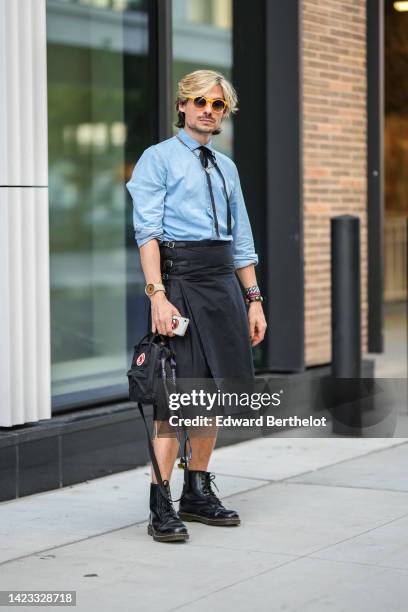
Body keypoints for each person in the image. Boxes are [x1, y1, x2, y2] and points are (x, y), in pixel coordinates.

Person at [126, 69, 267, 543]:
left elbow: (241, 238)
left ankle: (198, 491)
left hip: (222, 283)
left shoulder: (227, 167)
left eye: (217, 104)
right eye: (200, 101)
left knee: (212, 395)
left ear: (224, 112)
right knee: (176, 399)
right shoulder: (157, 159)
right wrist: (157, 294)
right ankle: (160, 501)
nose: (208, 110)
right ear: (182, 106)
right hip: (179, 281)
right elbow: (146, 232)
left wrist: (253, 300)